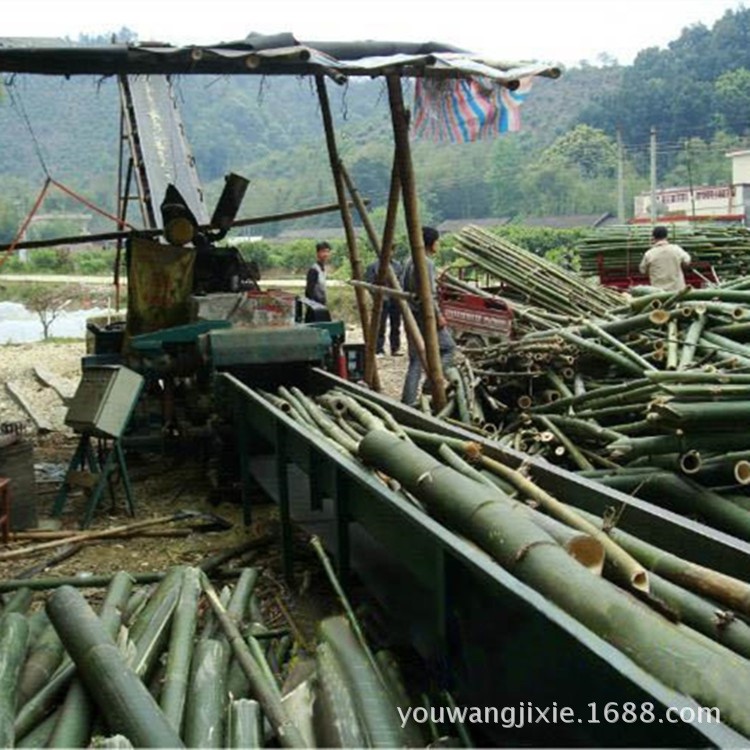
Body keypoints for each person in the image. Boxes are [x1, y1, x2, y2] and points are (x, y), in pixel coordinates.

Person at [400, 226, 456, 406]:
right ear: (431, 243)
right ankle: (430, 384)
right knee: (448, 348)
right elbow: (429, 294)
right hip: (426, 317)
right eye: (437, 241)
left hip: (412, 315)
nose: (438, 245)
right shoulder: (426, 263)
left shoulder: (408, 261)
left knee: (416, 359)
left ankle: (407, 401)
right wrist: (438, 316)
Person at [364, 253, 403, 357]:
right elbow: (369, 283)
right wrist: (376, 296)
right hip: (381, 299)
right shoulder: (373, 266)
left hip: (395, 298)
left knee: (396, 324)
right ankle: (378, 349)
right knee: (380, 325)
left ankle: (395, 348)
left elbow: (401, 281)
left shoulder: (398, 266)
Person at [639, 226, 691, 291]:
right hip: (677, 291)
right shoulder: (676, 249)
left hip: (658, 293)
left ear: (653, 237)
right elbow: (687, 261)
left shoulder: (649, 254)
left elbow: (642, 270)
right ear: (666, 236)